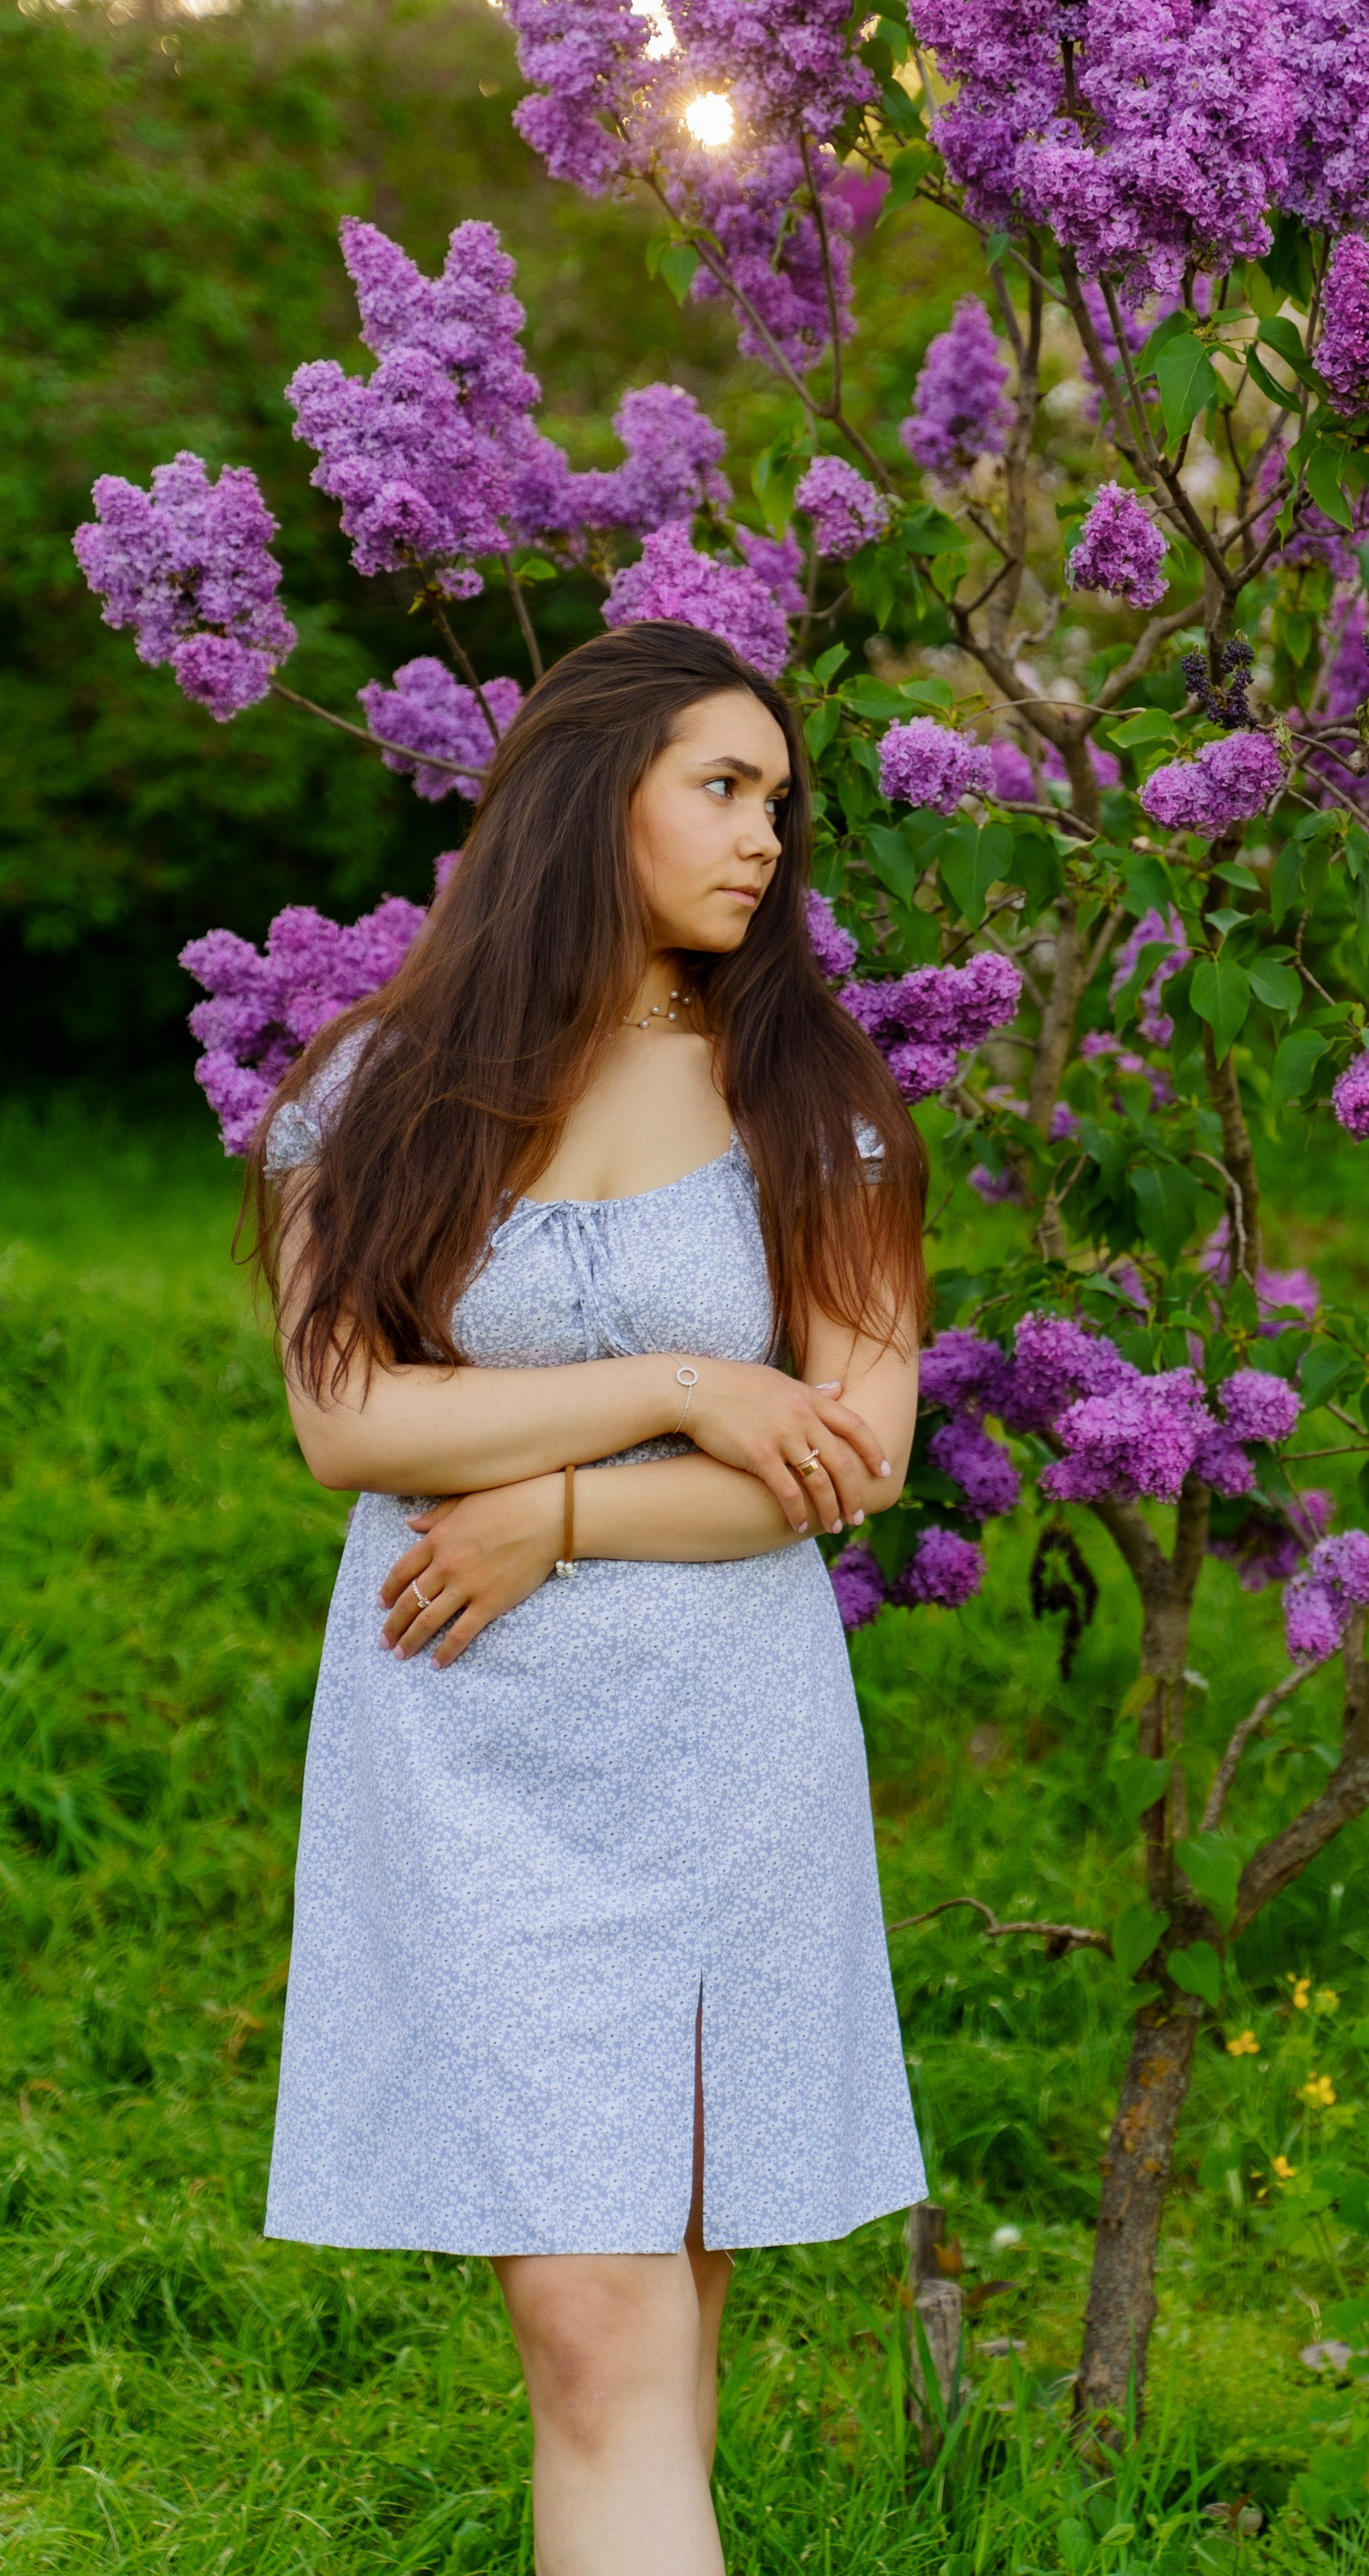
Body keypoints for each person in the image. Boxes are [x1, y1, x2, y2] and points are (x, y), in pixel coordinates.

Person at [253, 622, 929, 2576]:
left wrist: (553, 1511)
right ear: (584, 800)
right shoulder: (377, 1090)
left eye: (779, 801)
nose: (765, 838)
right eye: (720, 788)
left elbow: (849, 1461)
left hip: (721, 1748)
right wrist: (685, 1386)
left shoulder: (807, 1089)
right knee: (595, 2325)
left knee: (652, 2327)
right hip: (466, 1751)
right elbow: (351, 1419)